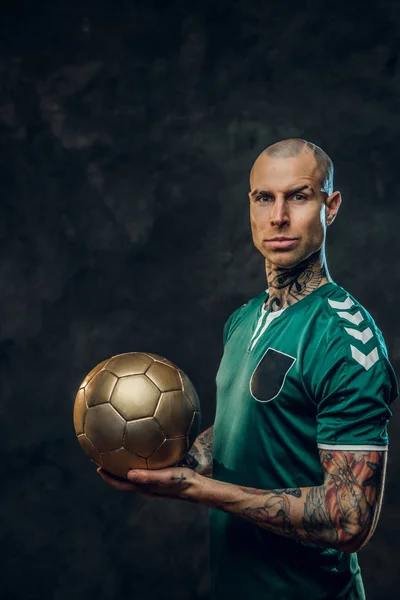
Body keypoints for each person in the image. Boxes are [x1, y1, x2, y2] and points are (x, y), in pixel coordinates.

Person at [98, 139, 398, 599]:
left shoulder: (346, 340)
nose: (279, 216)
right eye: (265, 198)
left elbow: (350, 519)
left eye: (298, 196)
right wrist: (177, 459)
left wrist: (198, 489)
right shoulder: (243, 320)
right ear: (251, 207)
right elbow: (250, 426)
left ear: (330, 206)